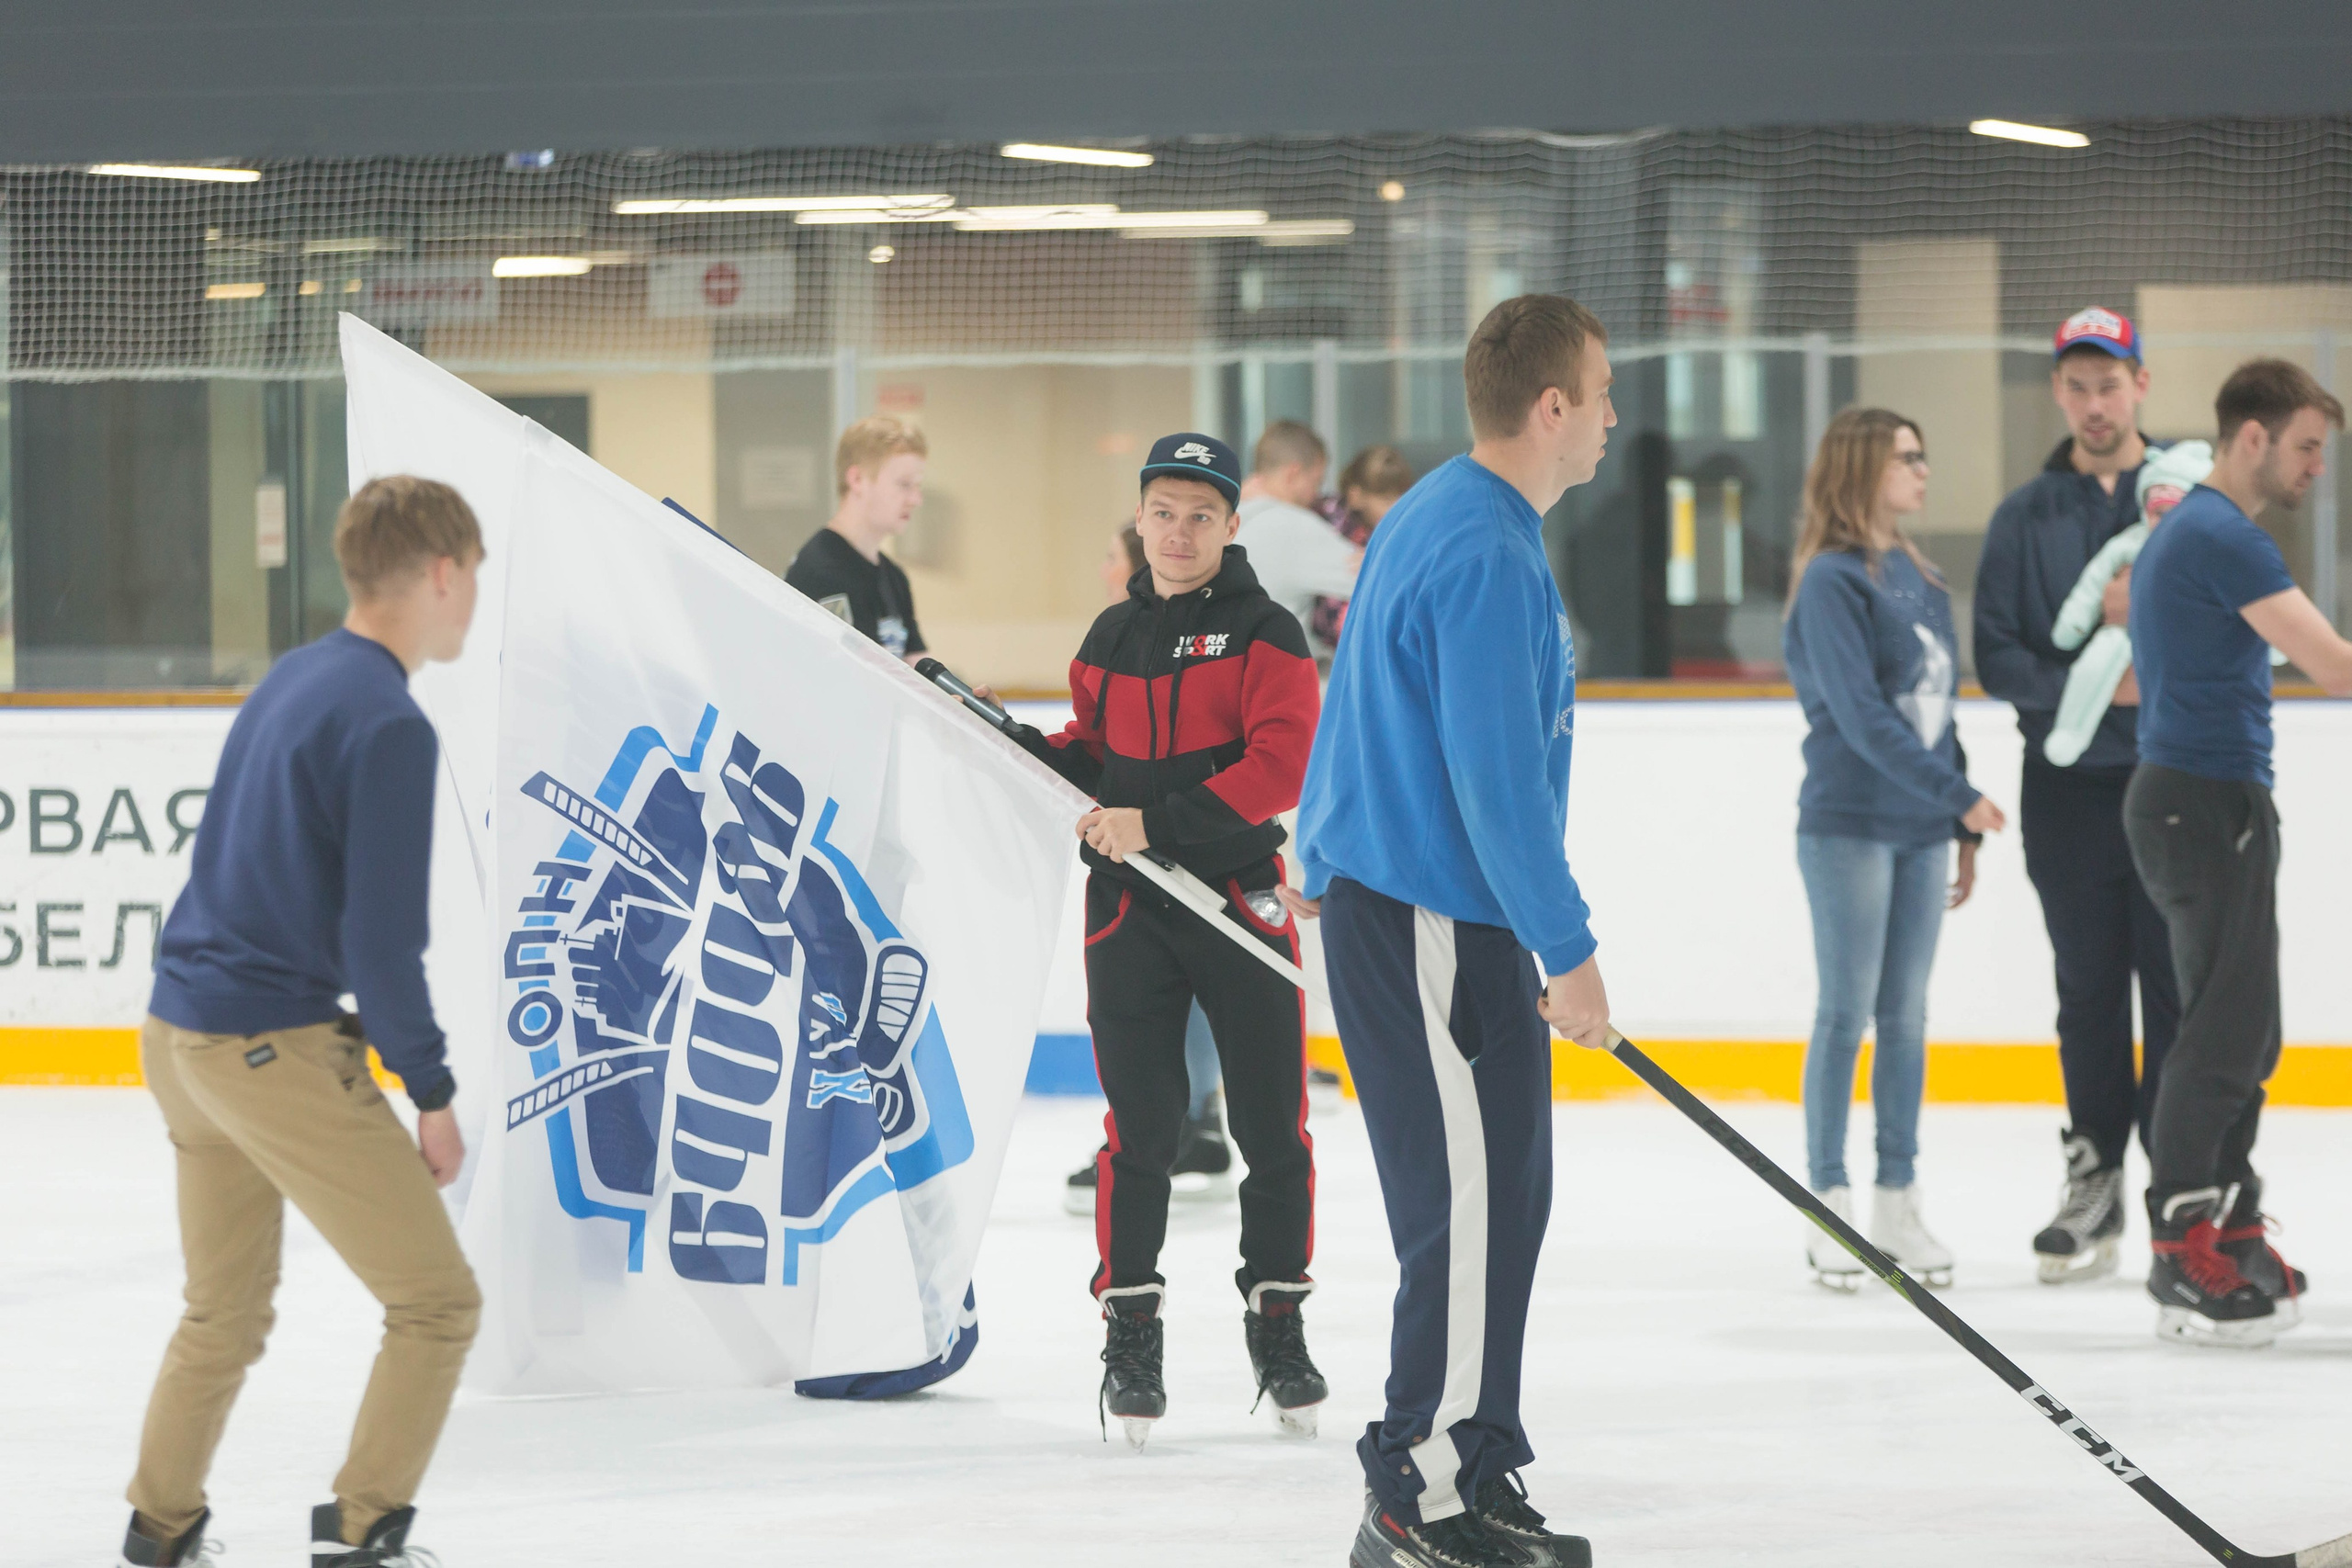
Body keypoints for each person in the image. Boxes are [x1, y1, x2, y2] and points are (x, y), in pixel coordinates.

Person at [1294, 294, 1611, 1568]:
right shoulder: (1482, 547)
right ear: (1550, 408)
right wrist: (1570, 946)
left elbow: (1362, 699)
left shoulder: (1442, 511)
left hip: (1425, 911)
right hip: (1437, 917)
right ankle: (1417, 1494)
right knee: (1470, 1212)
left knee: (1499, 1203)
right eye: (1599, 396)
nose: (1607, 422)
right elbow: (1497, 782)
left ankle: (1473, 1458)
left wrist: (1321, 841)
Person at [119, 477, 485, 1568]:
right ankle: (368, 1531)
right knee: (436, 1304)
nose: (472, 602)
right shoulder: (388, 723)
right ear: (440, 573)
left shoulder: (297, 677)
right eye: (472, 579)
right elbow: (382, 952)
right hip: (264, 1044)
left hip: (180, 1031)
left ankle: (161, 1527)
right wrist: (430, 1093)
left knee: (221, 1312)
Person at [1014, 434, 1326, 1446]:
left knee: (1271, 1131)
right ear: (1139, 519)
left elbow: (1281, 766)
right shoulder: (1110, 636)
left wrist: (1158, 825)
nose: (1179, 531)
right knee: (1139, 1132)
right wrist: (1014, 739)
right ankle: (1130, 1332)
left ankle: (1277, 1323)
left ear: (1232, 525)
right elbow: (1094, 753)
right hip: (1129, 912)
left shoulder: (1265, 632)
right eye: (1163, 512)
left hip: (1235, 903)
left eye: (1201, 514)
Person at [2125, 357, 2352, 1347]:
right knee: (2223, 1036)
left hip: (2209, 801)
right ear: (2250, 436)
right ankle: (2182, 1253)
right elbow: (2334, 664)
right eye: (2305, 447)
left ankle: (2233, 1223)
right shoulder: (2223, 534)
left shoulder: (2206, 532)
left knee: (2241, 1034)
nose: (2314, 469)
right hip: (2198, 803)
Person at [1973, 307, 2183, 1286]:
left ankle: (2184, 1191)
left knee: (2177, 992)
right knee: (2088, 991)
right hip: (2066, 790)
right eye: (2077, 386)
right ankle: (2093, 1179)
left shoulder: (2186, 501)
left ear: (2139, 384)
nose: (2095, 403)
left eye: (2111, 384)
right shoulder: (2024, 515)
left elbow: (2233, 626)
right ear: (2058, 393)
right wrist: (2098, 691)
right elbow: (1998, 654)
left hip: (2173, 781)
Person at [1781, 409, 2004, 1292]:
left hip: (1919, 826)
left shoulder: (1922, 574)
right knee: (1847, 1012)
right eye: (1906, 457)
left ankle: (1897, 1196)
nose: (1922, 468)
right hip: (1848, 819)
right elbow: (1862, 718)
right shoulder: (1832, 582)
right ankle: (1827, 1200)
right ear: (1863, 468)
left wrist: (1952, 817)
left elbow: (1935, 713)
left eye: (1923, 452)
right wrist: (1961, 798)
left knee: (1906, 1015)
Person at [1064, 525, 1236, 1216]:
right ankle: (1192, 1122)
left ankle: (1188, 1124)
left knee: (1180, 986)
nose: (1106, 568)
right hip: (1162, 852)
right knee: (1179, 989)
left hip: (1181, 852)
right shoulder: (1125, 637)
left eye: (1112, 556)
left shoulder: (1169, 644)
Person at [2046, 442, 2227, 768]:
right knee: (2092, 665)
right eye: (2157, 511)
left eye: (2175, 510)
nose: (2165, 521)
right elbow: (2095, 579)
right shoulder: (2130, 544)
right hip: (2123, 636)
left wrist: (2271, 636)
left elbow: (2244, 598)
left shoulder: (2210, 548)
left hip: (2186, 647)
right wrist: (2076, 620)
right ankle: (2070, 730)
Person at [785, 413, 930, 660]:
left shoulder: (893, 576)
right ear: (857, 479)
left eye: (918, 486)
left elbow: (918, 671)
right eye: (905, 484)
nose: (916, 500)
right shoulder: (822, 574)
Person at [1236, 419, 1359, 660]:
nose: (1316, 495)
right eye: (1316, 482)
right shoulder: (1290, 525)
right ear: (1292, 474)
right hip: (1279, 678)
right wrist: (1380, 557)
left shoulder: (1229, 518)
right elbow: (1379, 578)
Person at [1310, 445, 1415, 649]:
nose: (1397, 507)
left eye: (1402, 497)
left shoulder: (1407, 531)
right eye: (1385, 499)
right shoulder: (1324, 520)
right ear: (1356, 496)